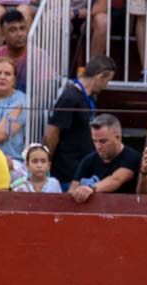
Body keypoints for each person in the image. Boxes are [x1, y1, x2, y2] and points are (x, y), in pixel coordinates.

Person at [44, 54, 114, 187]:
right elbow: (52, 132)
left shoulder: (90, 98)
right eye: (107, 81)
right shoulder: (70, 97)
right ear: (100, 77)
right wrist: (47, 161)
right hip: (66, 174)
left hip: (83, 171)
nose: (107, 86)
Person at [69, 113, 140, 201]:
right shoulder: (88, 160)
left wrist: (91, 189)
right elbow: (73, 189)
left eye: (103, 141)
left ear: (118, 137)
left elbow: (116, 180)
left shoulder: (131, 157)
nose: (98, 146)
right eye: (95, 141)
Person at [0, 9, 33, 92]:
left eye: (22, 28)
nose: (19, 34)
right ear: (2, 34)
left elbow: (45, 90)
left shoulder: (39, 56)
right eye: (12, 30)